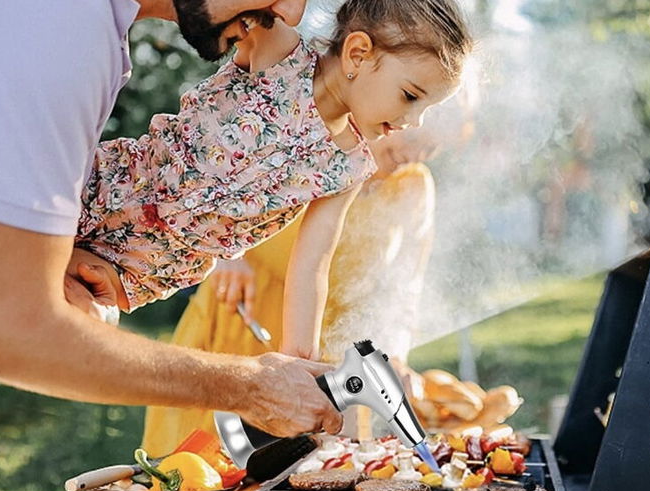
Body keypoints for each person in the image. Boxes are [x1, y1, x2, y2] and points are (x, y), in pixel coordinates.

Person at [0, 0, 346, 439]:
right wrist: (252, 388)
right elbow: (15, 328)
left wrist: (52, 273)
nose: (292, 14)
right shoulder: (64, 37)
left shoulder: (88, 31)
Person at [66, 0, 472, 369]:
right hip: (102, 188)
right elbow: (211, 13)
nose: (414, 121)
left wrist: (299, 363)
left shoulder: (349, 166)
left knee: (66, 312)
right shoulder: (280, 53)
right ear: (358, 53)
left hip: (137, 268)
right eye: (410, 96)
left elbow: (312, 264)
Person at [141, 130, 438, 456]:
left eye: (431, 146)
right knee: (195, 467)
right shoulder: (313, 140)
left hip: (319, 355)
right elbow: (209, 178)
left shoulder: (413, 188)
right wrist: (226, 252)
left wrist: (393, 355)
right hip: (241, 323)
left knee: (297, 474)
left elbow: (403, 287)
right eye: (415, 138)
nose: (415, 154)